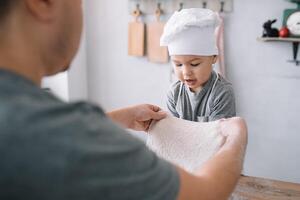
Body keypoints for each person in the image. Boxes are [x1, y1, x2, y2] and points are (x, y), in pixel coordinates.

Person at [0, 1, 247, 199]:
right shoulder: (76, 139)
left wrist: (118, 118)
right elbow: (205, 193)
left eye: (193, 63)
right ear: (42, 2)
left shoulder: (31, 127)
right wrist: (236, 139)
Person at [161, 8, 236, 122]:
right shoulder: (174, 93)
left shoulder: (222, 93)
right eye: (178, 64)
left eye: (194, 64)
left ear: (214, 58)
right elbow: (173, 131)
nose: (186, 72)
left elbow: (218, 136)